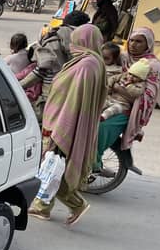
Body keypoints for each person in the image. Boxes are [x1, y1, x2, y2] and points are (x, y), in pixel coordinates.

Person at [28, 24, 106, 225]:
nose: (70, 46)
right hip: (66, 121)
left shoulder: (86, 65)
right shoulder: (91, 62)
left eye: (74, 41)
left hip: (66, 123)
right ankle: (63, 205)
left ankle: (50, 206)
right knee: (56, 166)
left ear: (84, 42)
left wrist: (61, 128)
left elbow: (73, 99)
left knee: (55, 165)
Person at [93, 27, 160, 174]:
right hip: (106, 100)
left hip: (127, 110)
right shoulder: (122, 57)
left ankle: (93, 165)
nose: (133, 44)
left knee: (100, 129)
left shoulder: (152, 65)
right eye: (131, 40)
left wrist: (117, 88)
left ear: (148, 44)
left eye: (139, 41)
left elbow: (147, 96)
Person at [20, 10, 91, 121]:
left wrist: (19, 86)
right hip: (74, 96)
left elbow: (41, 70)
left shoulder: (52, 37)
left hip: (52, 95)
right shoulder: (86, 43)